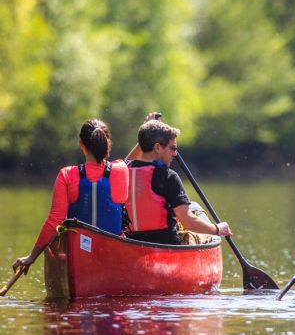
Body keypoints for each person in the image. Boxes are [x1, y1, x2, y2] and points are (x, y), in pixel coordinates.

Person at [12, 119, 129, 275]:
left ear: (81, 144)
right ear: (108, 144)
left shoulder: (67, 175)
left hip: (80, 257)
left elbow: (54, 220)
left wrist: (31, 257)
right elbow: (122, 163)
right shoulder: (122, 170)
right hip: (114, 256)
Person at [123, 113, 232, 245]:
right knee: (196, 211)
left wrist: (149, 130)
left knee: (192, 207)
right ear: (157, 147)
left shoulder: (124, 171)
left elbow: (130, 158)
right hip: (167, 244)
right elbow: (188, 221)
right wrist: (217, 229)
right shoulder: (169, 176)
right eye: (173, 148)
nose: (175, 153)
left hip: (132, 243)